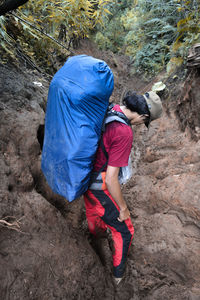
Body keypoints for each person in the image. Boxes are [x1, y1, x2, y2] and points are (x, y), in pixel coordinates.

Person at [84, 90, 163, 285]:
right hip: (100, 186)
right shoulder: (124, 132)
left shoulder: (111, 109)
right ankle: (118, 277)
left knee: (95, 213)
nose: (139, 125)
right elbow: (112, 179)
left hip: (85, 179)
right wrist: (123, 207)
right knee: (125, 231)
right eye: (143, 122)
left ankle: (97, 240)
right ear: (143, 116)